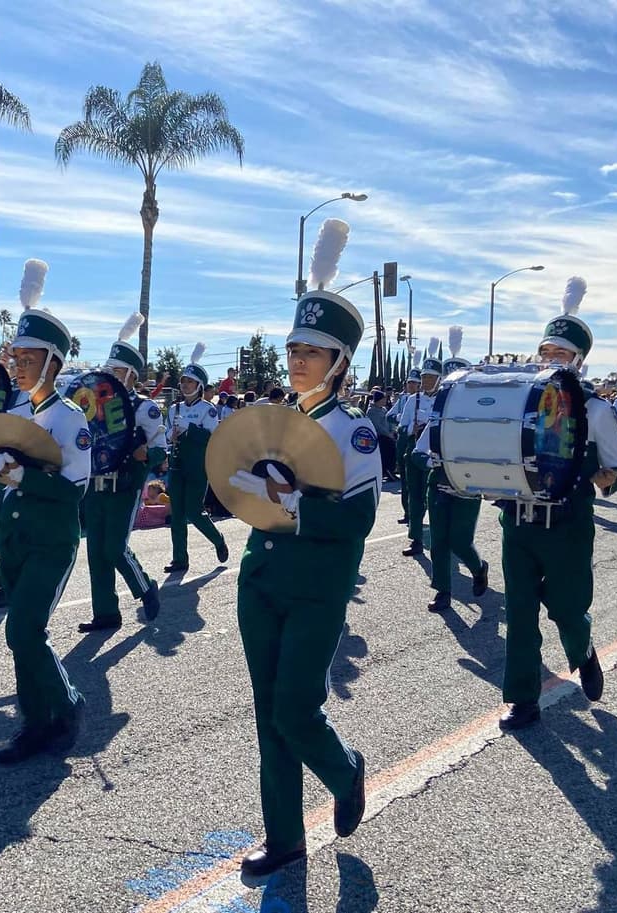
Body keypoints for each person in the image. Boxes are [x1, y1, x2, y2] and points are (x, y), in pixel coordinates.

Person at [225, 224, 374, 876]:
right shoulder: (279, 420)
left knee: (295, 709)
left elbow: (358, 517)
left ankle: (345, 773)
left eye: (314, 349)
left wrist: (290, 500)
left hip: (316, 585)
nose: (299, 357)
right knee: (268, 717)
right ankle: (284, 835)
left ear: (341, 361)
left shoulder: (353, 429)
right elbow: (248, 485)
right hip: (260, 578)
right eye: (293, 346)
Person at [497, 277, 617, 731]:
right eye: (545, 351)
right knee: (520, 612)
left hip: (569, 523)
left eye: (560, 354)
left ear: (579, 361)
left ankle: (583, 649)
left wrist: (595, 479)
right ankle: (521, 698)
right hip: (518, 520)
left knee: (568, 608)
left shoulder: (597, 410)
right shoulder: (518, 403)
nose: (550, 360)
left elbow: (616, 470)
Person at [0, 292, 91, 764]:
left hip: (51, 538)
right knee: (21, 635)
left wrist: (25, 475)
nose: (19, 365)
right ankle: (34, 722)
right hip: (16, 535)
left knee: (25, 629)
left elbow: (74, 490)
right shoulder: (16, 413)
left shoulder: (70, 419)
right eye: (16, 357)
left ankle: (67, 704)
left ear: (53, 362)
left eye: (29, 358)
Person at [79, 313, 168, 632]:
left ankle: (145, 587)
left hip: (125, 485)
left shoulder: (145, 408)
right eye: (109, 370)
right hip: (95, 485)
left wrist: (145, 452)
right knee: (95, 554)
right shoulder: (92, 404)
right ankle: (106, 613)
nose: (110, 376)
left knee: (114, 548)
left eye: (116, 371)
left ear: (130, 375)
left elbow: (162, 452)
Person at [415, 333, 487, 613]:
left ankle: (479, 567)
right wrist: (433, 462)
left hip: (468, 490)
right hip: (440, 489)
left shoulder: (483, 422)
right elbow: (418, 454)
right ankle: (443, 590)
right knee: (439, 542)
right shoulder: (438, 418)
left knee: (460, 541)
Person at [164, 344, 229, 573]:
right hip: (177, 464)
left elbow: (212, 437)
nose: (185, 385)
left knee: (193, 510)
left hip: (198, 466)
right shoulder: (174, 408)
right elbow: (165, 434)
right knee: (177, 514)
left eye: (190, 382)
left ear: (199, 386)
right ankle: (179, 558)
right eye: (183, 381)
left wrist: (189, 429)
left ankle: (218, 539)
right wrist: (170, 436)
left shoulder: (207, 409)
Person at [399, 339, 441, 556]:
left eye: (430, 377)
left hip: (434, 456)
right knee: (414, 498)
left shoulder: (444, 399)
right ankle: (415, 538)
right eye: (423, 377)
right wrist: (412, 429)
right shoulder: (411, 400)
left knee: (432, 499)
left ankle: (438, 539)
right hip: (414, 451)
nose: (425, 381)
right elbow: (402, 426)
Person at [388, 358, 421, 524]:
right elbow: (389, 416)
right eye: (409, 383)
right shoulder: (402, 400)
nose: (411, 386)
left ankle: (417, 512)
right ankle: (407, 512)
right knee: (405, 481)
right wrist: (400, 418)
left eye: (414, 383)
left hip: (419, 442)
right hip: (403, 442)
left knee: (417, 482)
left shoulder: (422, 399)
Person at [366, 390, 396, 481]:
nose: (385, 401)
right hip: (379, 436)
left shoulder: (384, 409)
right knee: (385, 451)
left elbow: (389, 421)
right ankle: (385, 470)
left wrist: (393, 431)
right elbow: (377, 425)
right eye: (383, 399)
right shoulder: (371, 411)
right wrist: (388, 434)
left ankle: (391, 470)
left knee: (393, 450)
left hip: (388, 435)